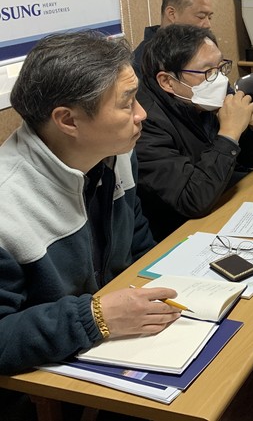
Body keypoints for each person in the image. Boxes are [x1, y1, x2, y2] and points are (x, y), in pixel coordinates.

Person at [0, 31, 182, 378]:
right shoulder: (7, 202)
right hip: (47, 377)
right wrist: (95, 317)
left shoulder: (115, 154)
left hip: (115, 345)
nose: (142, 114)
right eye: (127, 103)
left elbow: (138, 244)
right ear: (68, 121)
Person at [136, 25, 253, 240]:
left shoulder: (206, 93)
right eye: (207, 71)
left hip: (223, 200)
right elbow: (192, 200)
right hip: (178, 231)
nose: (219, 79)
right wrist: (229, 134)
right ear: (168, 81)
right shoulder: (145, 123)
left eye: (220, 67)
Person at [133, 0, 214, 71]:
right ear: (172, 14)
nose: (208, 25)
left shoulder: (200, 49)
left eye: (209, 17)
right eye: (201, 16)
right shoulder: (143, 64)